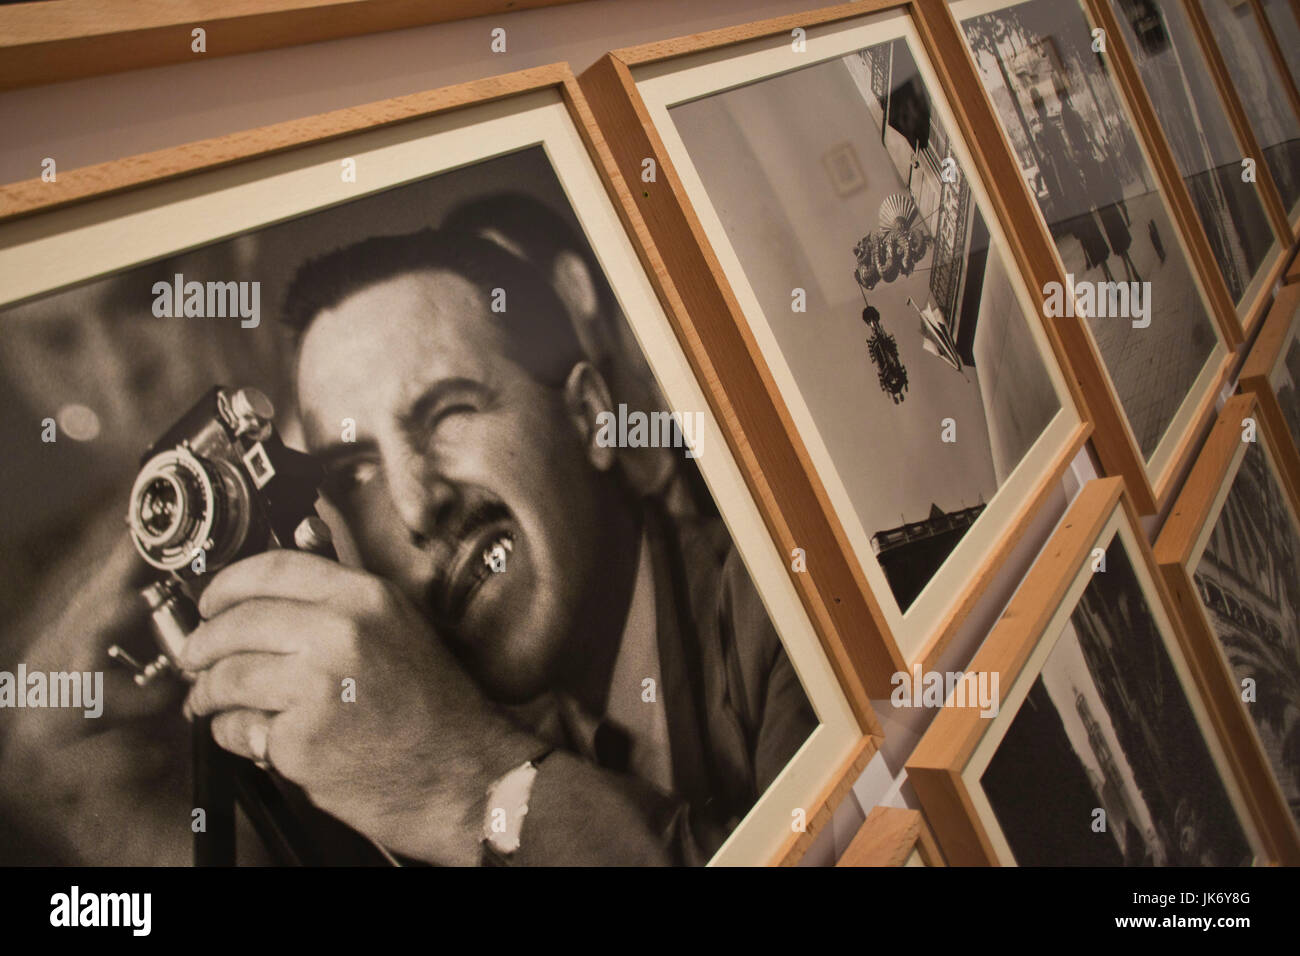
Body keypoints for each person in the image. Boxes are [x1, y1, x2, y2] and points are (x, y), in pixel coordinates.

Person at [177, 227, 815, 865]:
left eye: (448, 412)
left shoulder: (794, 610)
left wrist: (472, 789)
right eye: (357, 474)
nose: (416, 506)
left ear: (591, 418)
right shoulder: (442, 723)